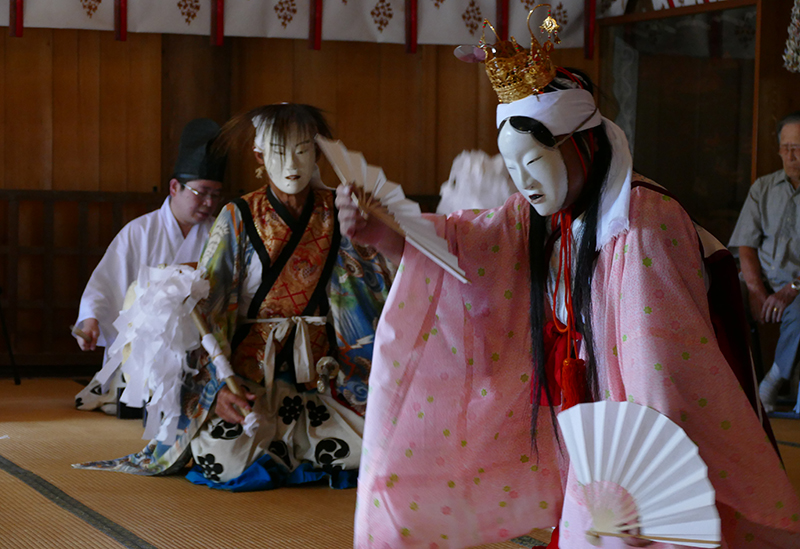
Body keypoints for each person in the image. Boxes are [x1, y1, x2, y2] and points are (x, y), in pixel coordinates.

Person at [336, 12, 800, 548]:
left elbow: (659, 361)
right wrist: (386, 231)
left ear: (582, 144)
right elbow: (466, 247)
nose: (524, 181)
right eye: (512, 167)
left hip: (630, 419)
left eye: (534, 160)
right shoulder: (540, 213)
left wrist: (639, 472)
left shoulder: (640, 223)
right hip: (582, 412)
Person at [75, 104, 392, 492]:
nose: (291, 164)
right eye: (278, 151)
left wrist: (374, 230)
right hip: (250, 373)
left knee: (382, 448)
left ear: (319, 153)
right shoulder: (238, 215)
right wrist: (218, 387)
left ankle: (294, 445)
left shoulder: (337, 212)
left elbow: (368, 296)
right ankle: (284, 446)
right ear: (259, 156)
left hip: (318, 375)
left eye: (303, 150)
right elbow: (209, 311)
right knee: (225, 461)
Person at [73, 119, 227, 415]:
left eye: (216, 195)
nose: (209, 202)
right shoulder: (140, 232)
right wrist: (91, 319)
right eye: (202, 192)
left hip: (199, 348)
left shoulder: (220, 234)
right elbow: (106, 281)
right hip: (143, 350)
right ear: (174, 187)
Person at [729, 111, 800, 413]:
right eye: (785, 147)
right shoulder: (763, 188)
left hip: (797, 286)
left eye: (797, 147)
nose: (790, 155)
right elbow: (746, 245)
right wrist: (756, 291)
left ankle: (772, 382)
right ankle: (728, 391)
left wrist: (791, 290)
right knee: (715, 298)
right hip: (759, 278)